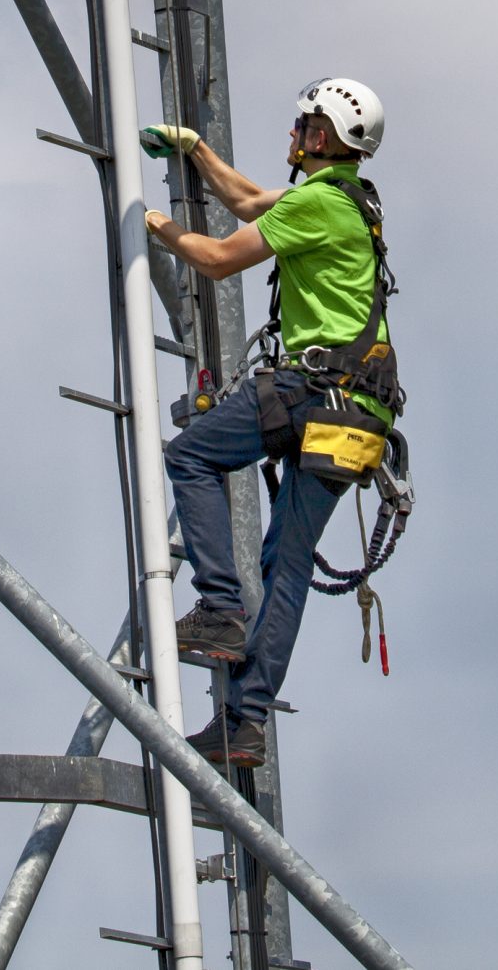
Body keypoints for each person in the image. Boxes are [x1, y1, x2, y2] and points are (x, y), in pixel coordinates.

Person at [140, 76, 399, 769]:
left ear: (320, 137)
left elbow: (221, 259)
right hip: (358, 417)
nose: (292, 130)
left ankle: (219, 606)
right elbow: (250, 201)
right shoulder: (350, 201)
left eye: (301, 122)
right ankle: (244, 722)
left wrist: (147, 221)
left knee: (191, 456)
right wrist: (196, 152)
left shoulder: (318, 202)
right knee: (285, 564)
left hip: (314, 392)